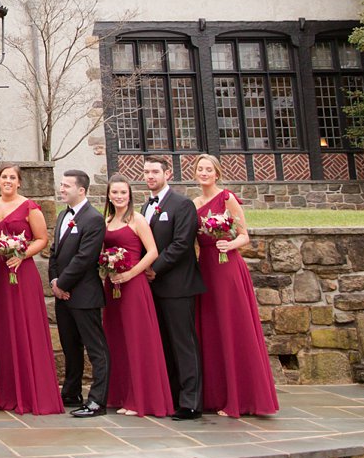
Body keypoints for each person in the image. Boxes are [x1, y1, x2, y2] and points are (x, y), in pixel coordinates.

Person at [192, 154, 280, 417]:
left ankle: (240, 398)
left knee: (232, 326)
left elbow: (244, 236)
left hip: (227, 267)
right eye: (200, 169)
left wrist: (228, 244)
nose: (204, 173)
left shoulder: (226, 197)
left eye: (209, 169)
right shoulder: (194, 203)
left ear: (217, 174)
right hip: (205, 268)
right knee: (211, 329)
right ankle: (215, 395)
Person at [0, 165, 63, 415]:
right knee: (2, 329)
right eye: (4, 177)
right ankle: (6, 392)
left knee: (25, 326)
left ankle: (33, 393)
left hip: (22, 271)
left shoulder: (30, 207)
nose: (8, 181)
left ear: (19, 182)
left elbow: (42, 239)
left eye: (12, 178)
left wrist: (21, 254)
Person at [101, 176, 174, 417]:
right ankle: (121, 394)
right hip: (112, 287)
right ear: (109, 195)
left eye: (123, 192)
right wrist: (108, 268)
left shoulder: (138, 220)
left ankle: (140, 399)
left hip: (133, 285)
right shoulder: (107, 220)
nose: (119, 196)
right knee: (117, 339)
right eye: (115, 192)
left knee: (137, 339)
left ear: (130, 195)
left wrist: (131, 273)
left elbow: (152, 252)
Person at [140, 155, 205, 420]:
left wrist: (155, 268)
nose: (150, 176)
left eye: (155, 171)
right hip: (151, 287)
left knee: (183, 344)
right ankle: (171, 396)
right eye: (146, 172)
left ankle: (191, 402)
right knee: (163, 344)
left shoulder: (182, 204)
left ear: (167, 174)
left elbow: (181, 243)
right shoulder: (145, 206)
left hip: (178, 285)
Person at [49, 169, 110, 418]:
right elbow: (55, 252)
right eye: (61, 185)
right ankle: (72, 391)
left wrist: (62, 283)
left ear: (81, 190)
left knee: (95, 349)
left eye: (66, 186)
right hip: (62, 294)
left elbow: (85, 257)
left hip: (84, 294)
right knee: (69, 346)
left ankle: (97, 400)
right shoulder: (63, 214)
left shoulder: (93, 219)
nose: (62, 189)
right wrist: (54, 280)